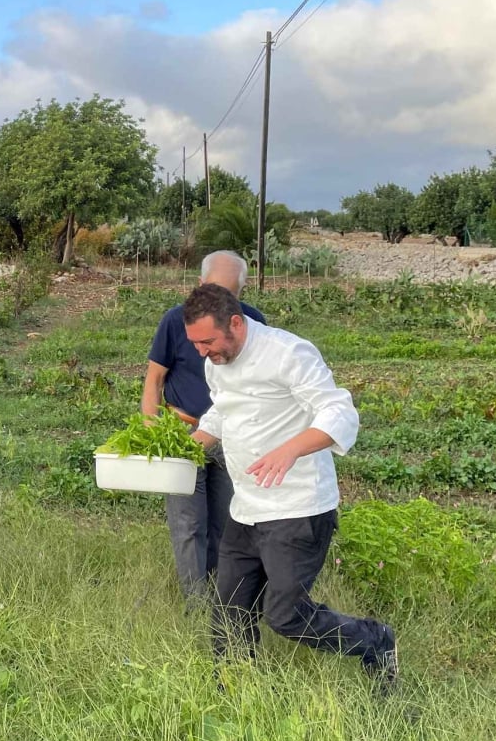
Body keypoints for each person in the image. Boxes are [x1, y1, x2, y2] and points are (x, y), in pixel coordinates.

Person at [182, 283, 399, 692]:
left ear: (235, 323)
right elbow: (222, 413)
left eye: (207, 341)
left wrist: (289, 451)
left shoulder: (288, 353)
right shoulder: (216, 362)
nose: (201, 352)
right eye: (195, 343)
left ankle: (375, 641)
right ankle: (235, 693)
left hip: (296, 509)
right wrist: (181, 449)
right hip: (246, 508)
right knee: (229, 613)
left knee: (286, 616)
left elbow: (339, 411)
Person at [140, 251, 267, 601]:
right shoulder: (174, 321)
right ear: (199, 285)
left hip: (234, 437)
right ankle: (196, 604)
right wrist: (152, 431)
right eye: (215, 291)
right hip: (185, 433)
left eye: (231, 295)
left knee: (229, 523)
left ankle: (223, 599)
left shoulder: (253, 323)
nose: (222, 304)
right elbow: (154, 379)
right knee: (187, 524)